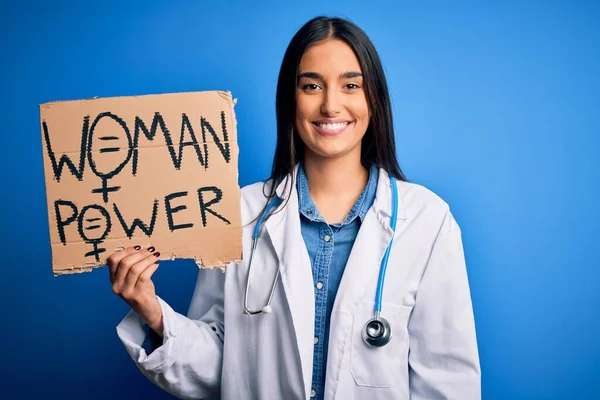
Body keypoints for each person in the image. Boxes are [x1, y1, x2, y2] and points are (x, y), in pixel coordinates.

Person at [109, 16, 481, 400]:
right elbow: (221, 364)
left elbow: (448, 382)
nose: (330, 105)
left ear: (374, 100)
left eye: (351, 85)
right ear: (291, 97)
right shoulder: (238, 213)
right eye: (312, 86)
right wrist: (152, 311)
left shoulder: (427, 221)